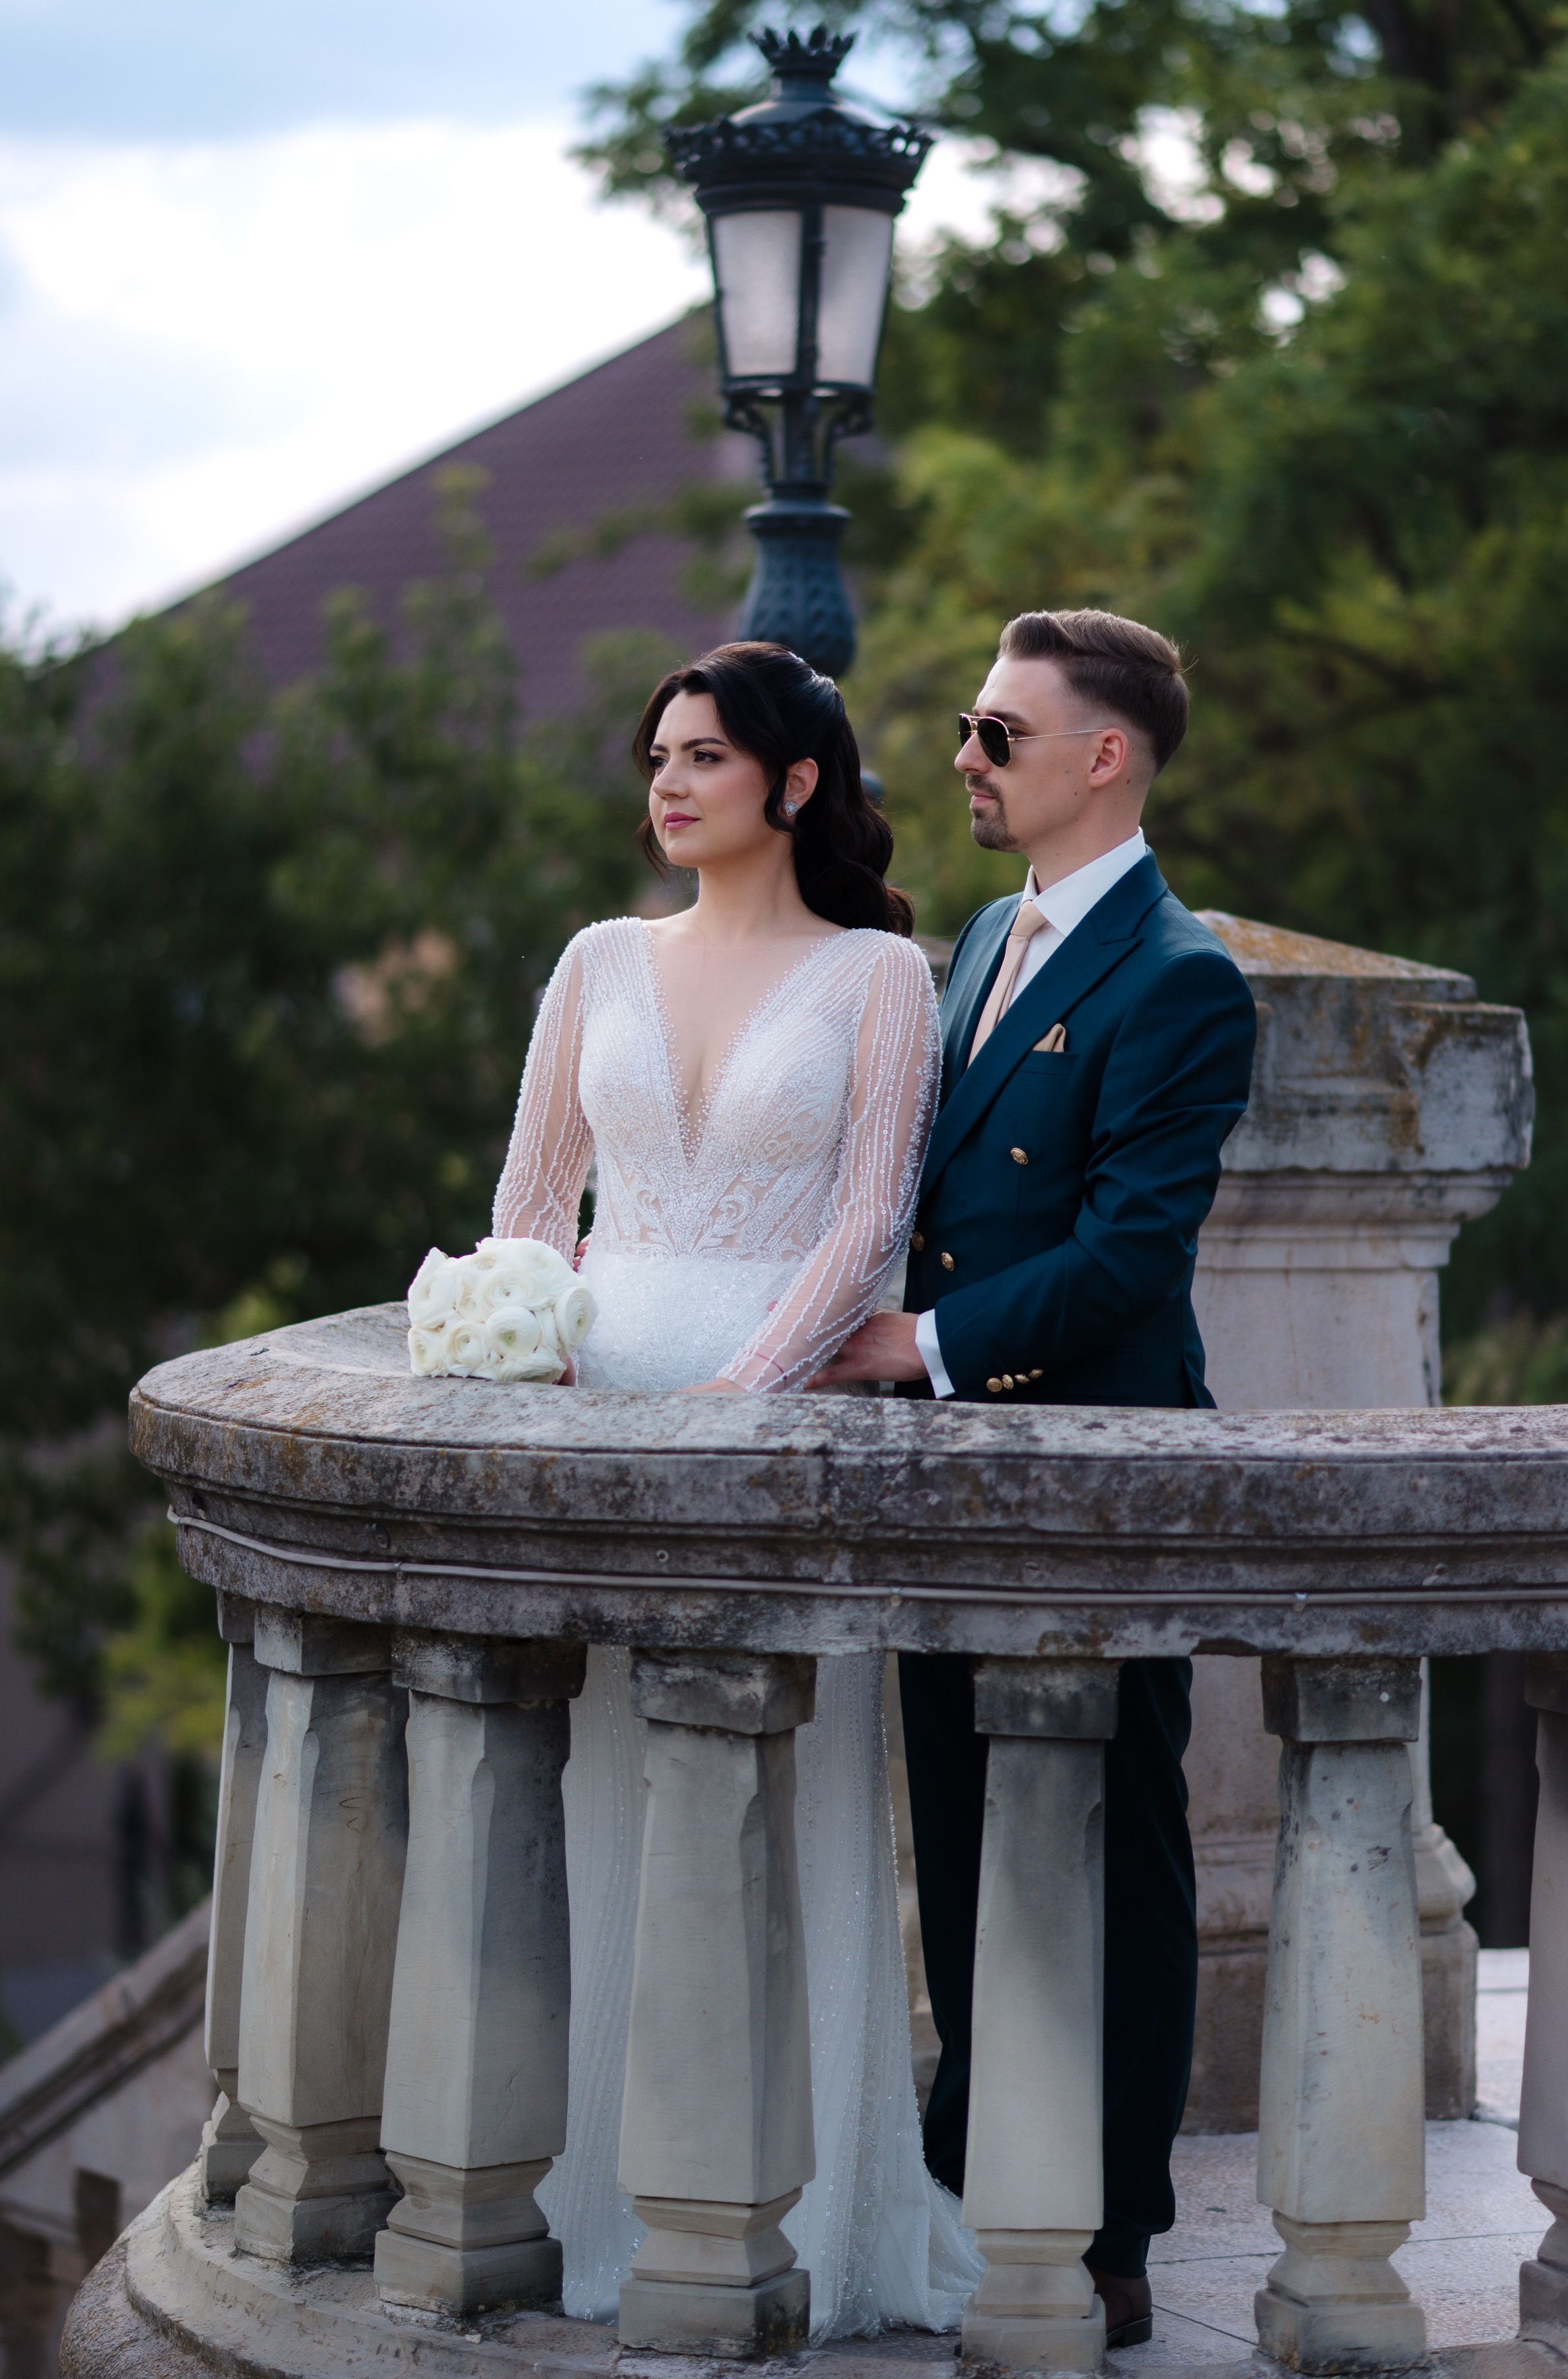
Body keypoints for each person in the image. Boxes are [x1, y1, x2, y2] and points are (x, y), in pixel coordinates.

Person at [490, 639, 978, 2337]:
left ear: (792, 782)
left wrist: (736, 1399)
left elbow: (861, 1225)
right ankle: (594, 2208)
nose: (667, 783)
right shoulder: (594, 959)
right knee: (601, 1809)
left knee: (788, 1817)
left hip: (776, 1443)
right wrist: (519, 1341)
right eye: (656, 757)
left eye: (702, 755)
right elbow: (535, 1194)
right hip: (596, 1429)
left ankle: (814, 2221)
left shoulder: (879, 977)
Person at [813, 607, 1258, 2349]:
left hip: (1098, 1480)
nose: (965, 759)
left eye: (1000, 732)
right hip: (956, 1474)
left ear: (1106, 758)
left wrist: (923, 1345)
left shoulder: (1182, 977)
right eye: (967, 729)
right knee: (967, 1832)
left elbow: (1133, 1257)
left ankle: (1113, 2234)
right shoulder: (994, 928)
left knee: (1113, 1849)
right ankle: (973, 2175)